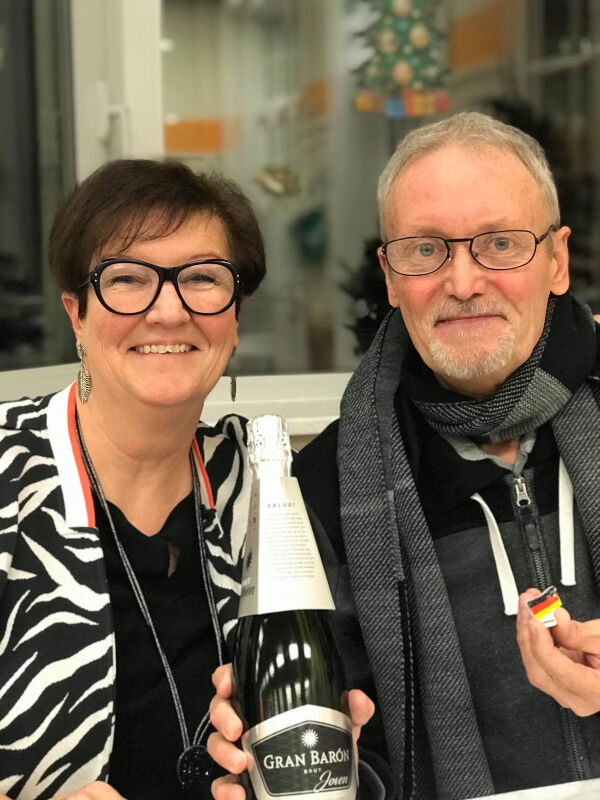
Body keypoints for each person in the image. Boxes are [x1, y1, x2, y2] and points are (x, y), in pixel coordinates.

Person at [208, 111, 600, 799]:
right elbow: (363, 759)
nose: (464, 281)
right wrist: (325, 775)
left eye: (501, 243)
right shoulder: (327, 489)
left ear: (557, 260)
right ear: (390, 276)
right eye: (425, 250)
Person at [0, 159, 266, 800]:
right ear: (76, 314)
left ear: (235, 317)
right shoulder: (11, 474)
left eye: (202, 278)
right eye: (127, 278)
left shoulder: (263, 485)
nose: (169, 311)